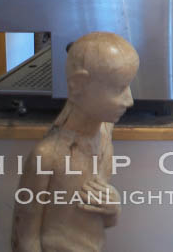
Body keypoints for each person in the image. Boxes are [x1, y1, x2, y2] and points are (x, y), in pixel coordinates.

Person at [12, 32, 140, 252]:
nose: (129, 100)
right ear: (78, 85)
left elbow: (96, 218)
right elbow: (24, 238)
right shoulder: (47, 156)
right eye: (120, 89)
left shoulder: (104, 134)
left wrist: (112, 208)